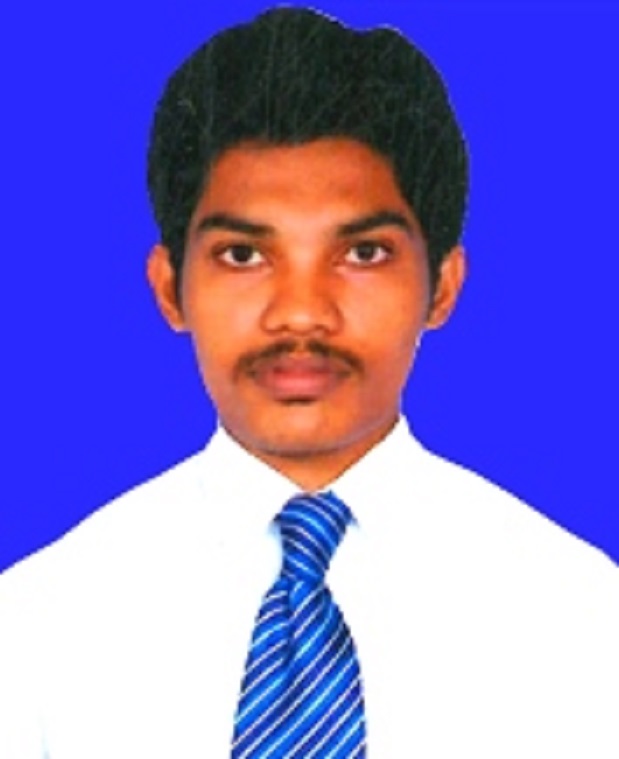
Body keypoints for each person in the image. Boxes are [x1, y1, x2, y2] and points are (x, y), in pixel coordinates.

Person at [1, 6, 617, 757]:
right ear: (169, 289)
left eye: (362, 253)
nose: (300, 312)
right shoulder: (37, 627)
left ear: (442, 287)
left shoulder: (582, 619)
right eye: (242, 255)